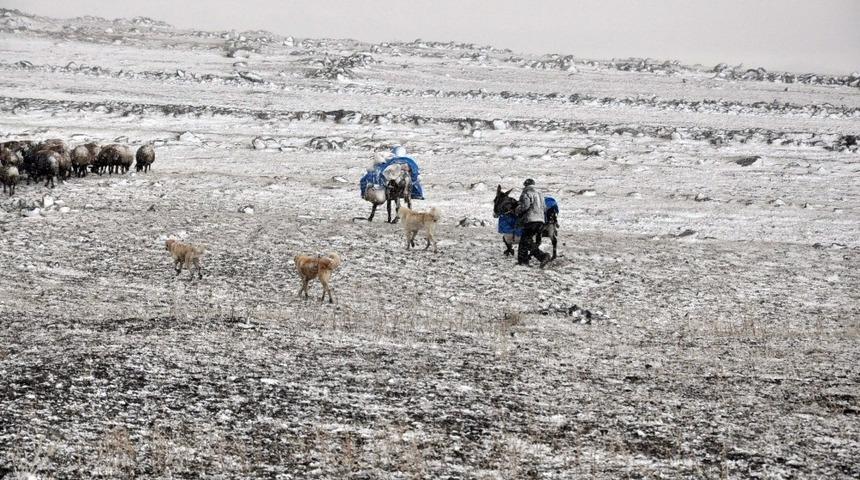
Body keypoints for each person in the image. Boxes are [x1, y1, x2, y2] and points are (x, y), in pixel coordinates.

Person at [516, 178, 551, 268]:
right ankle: (523, 261)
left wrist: (517, 210)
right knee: (525, 240)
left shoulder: (527, 192)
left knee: (526, 241)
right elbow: (545, 207)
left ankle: (542, 256)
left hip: (531, 220)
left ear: (525, 185)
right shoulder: (540, 194)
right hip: (541, 220)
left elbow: (525, 206)